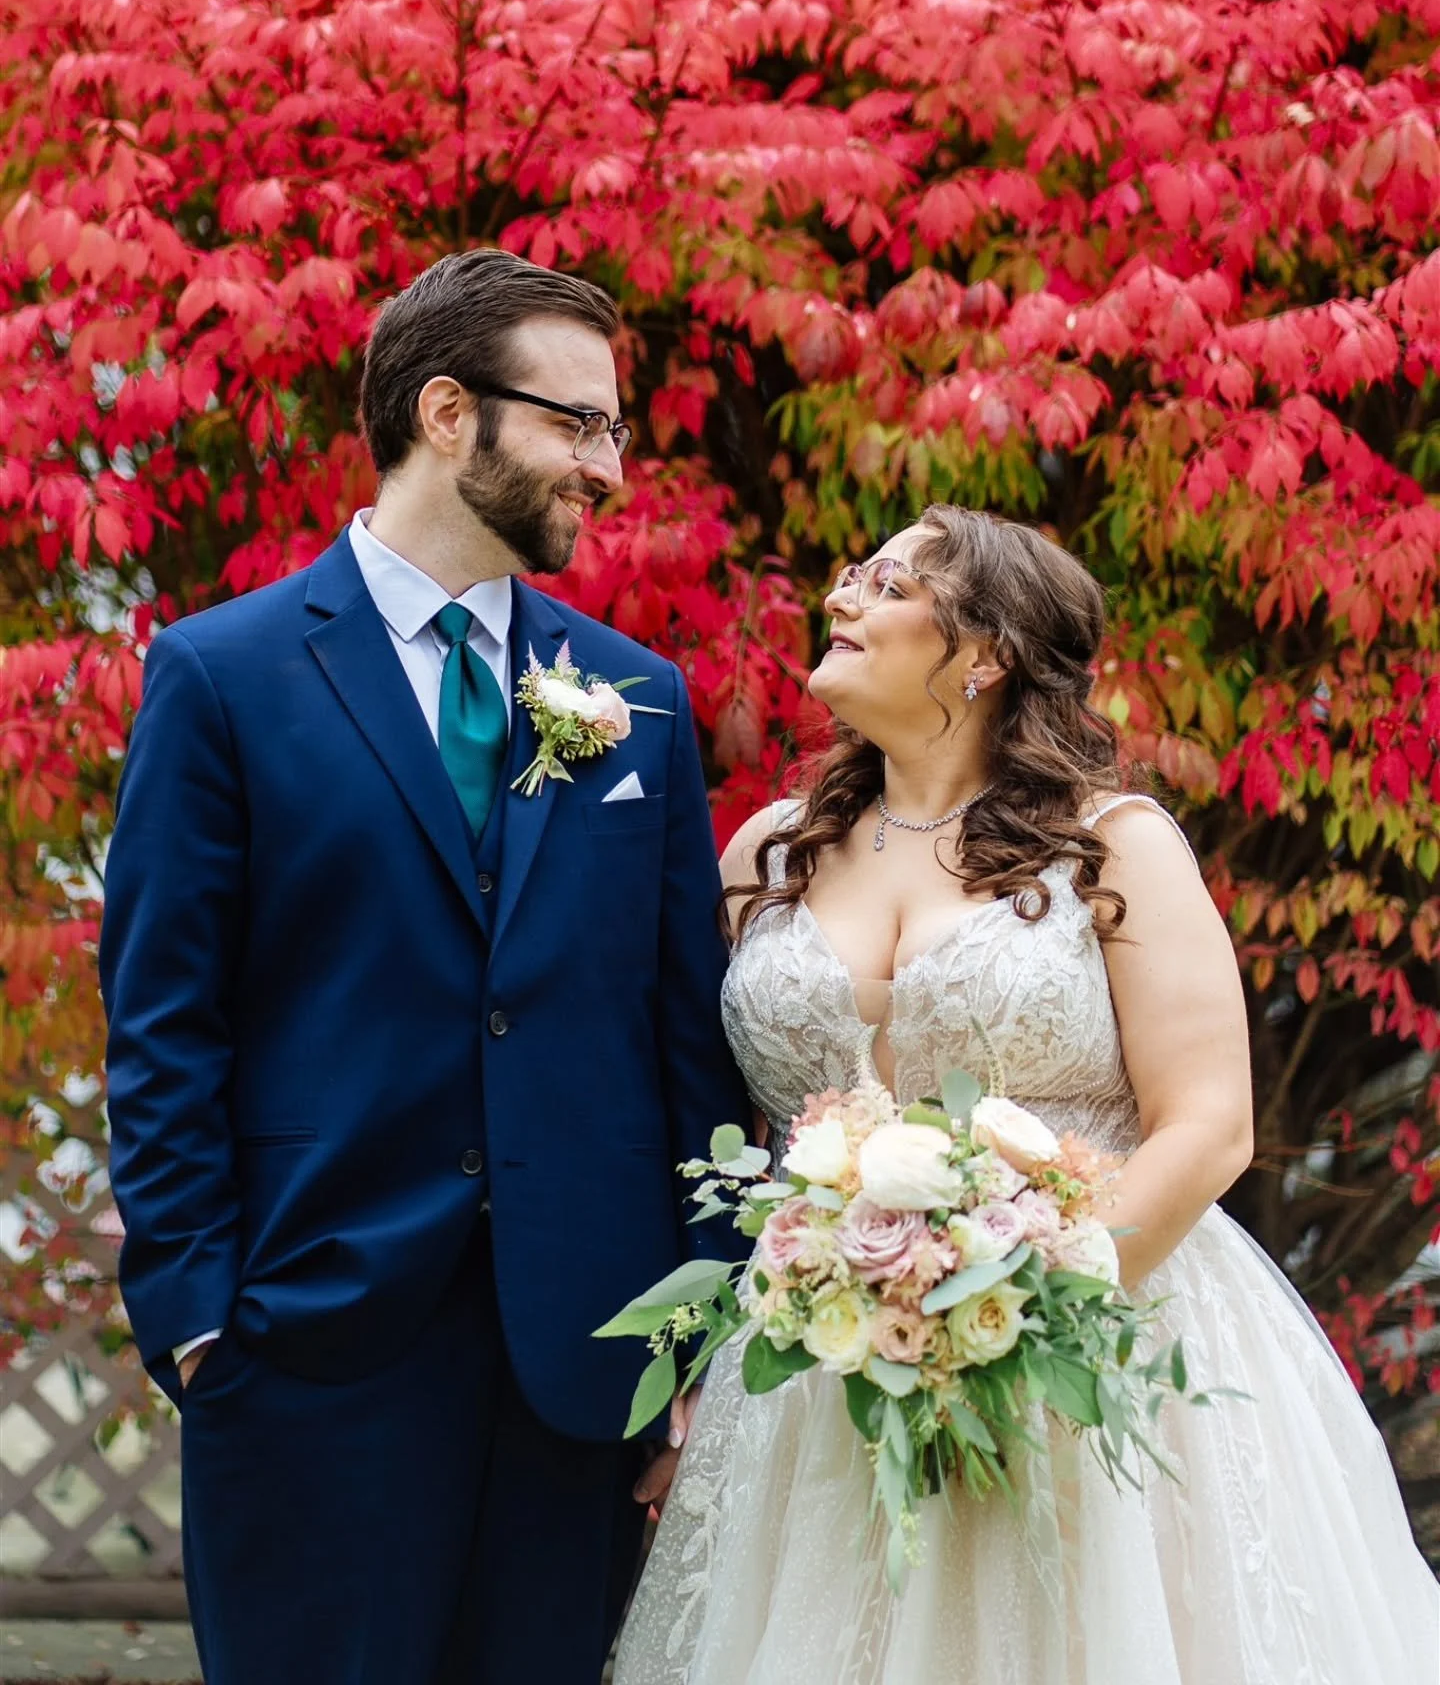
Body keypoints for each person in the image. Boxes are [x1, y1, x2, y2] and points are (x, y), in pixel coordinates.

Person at [615, 505, 1438, 1684]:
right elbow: (715, 1125)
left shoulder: (1114, 847)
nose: (839, 597)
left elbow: (1209, 1123)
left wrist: (1013, 1310)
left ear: (984, 651)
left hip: (1082, 1343)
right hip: (823, 1361)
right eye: (850, 573)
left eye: (883, 581)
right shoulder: (766, 854)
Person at [100, 248, 749, 1685]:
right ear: (449, 413)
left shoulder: (635, 699)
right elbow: (163, 1030)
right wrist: (203, 1328)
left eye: (616, 429)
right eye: (578, 423)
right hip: (304, 1362)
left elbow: (683, 1040)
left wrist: (697, 1339)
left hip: (582, 1380)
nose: (613, 469)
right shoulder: (220, 676)